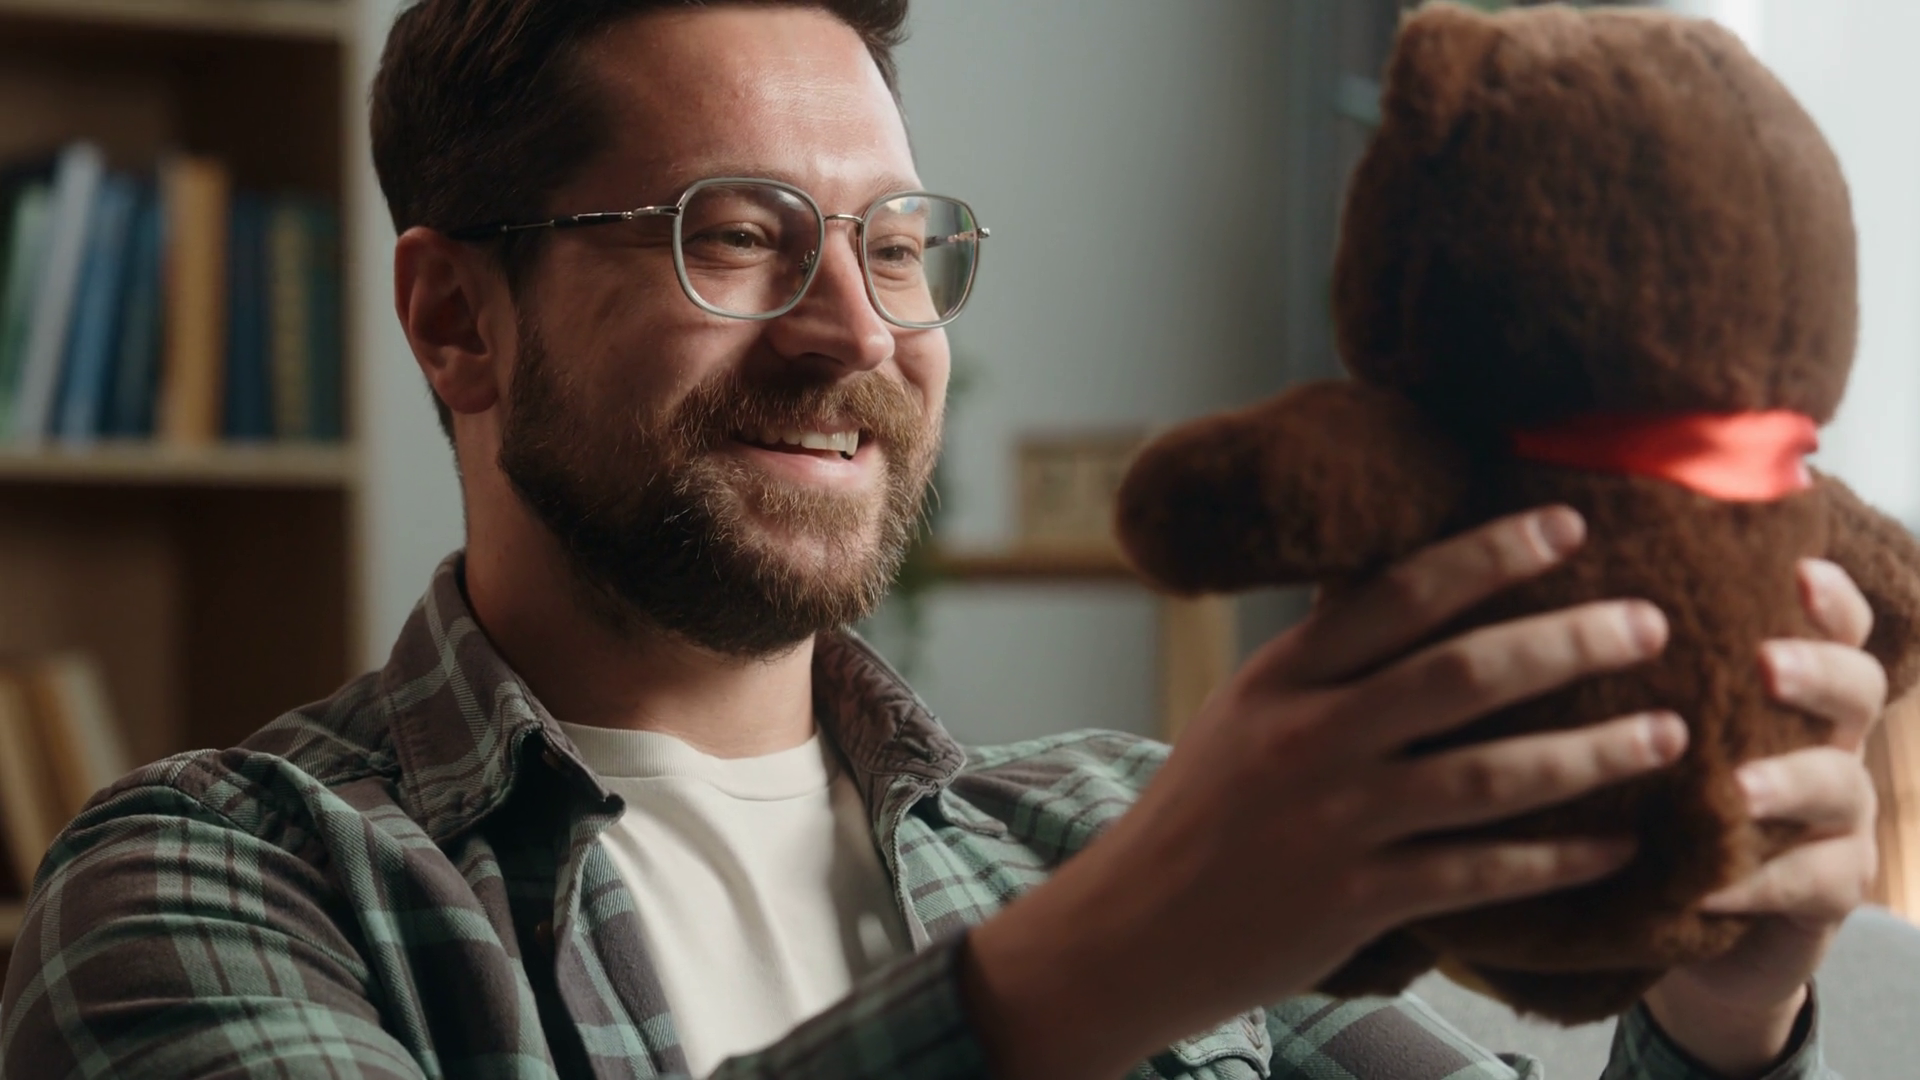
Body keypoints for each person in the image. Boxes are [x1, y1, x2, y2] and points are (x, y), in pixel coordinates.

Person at [0, 2, 1889, 1077]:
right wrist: (1083, 983)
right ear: (454, 321)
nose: (858, 332)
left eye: (898, 247)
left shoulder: (1128, 822)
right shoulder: (216, 882)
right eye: (737, 237)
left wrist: (1722, 1025)